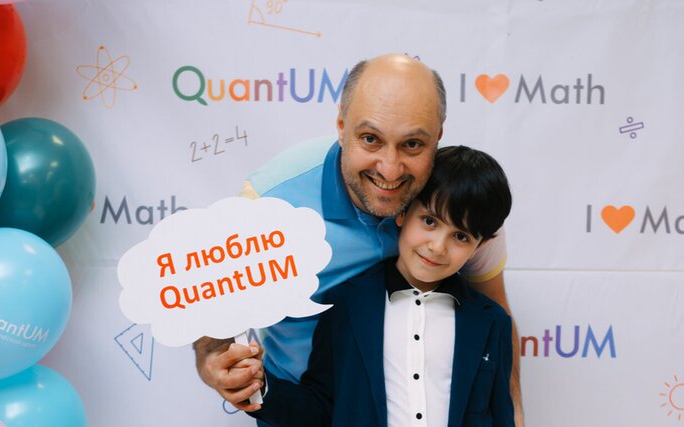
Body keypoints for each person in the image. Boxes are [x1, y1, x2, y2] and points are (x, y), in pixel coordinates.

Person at [192, 54, 524, 425]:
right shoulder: (268, 201)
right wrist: (215, 360)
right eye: (370, 139)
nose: (390, 169)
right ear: (341, 126)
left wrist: (514, 412)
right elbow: (214, 314)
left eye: (413, 144)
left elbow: (493, 320)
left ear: (437, 138)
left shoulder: (462, 203)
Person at [247, 145, 514, 427]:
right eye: (429, 221)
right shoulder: (346, 304)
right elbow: (322, 408)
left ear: (478, 247)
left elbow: (500, 416)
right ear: (402, 213)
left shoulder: (492, 323)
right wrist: (261, 388)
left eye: (460, 237)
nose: (437, 247)